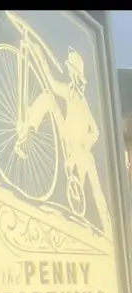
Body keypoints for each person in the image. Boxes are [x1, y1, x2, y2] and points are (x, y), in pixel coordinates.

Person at [19, 45, 112, 239]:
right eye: (70, 73)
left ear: (78, 78)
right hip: (67, 137)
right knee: (48, 97)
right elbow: (52, 84)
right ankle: (29, 124)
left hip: (80, 151)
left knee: (95, 187)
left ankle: (108, 229)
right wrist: (39, 56)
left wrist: (82, 146)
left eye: (72, 73)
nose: (71, 77)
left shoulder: (82, 102)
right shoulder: (69, 93)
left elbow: (95, 132)